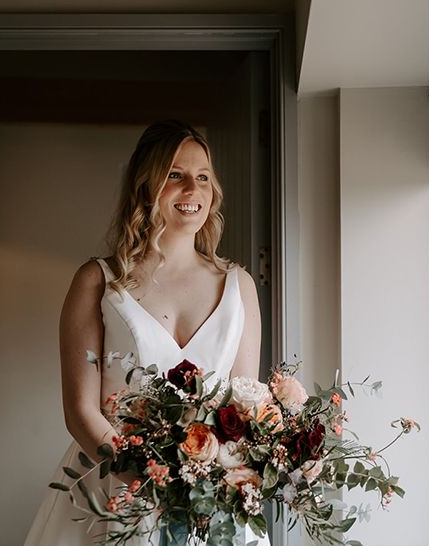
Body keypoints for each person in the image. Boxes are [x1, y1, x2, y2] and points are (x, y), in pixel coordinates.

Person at [24, 120, 269, 545]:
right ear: (145, 185)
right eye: (175, 175)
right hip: (115, 490)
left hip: (209, 499)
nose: (193, 189)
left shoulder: (239, 286)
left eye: (203, 177)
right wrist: (152, 480)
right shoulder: (98, 281)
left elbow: (245, 407)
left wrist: (202, 486)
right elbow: (81, 412)